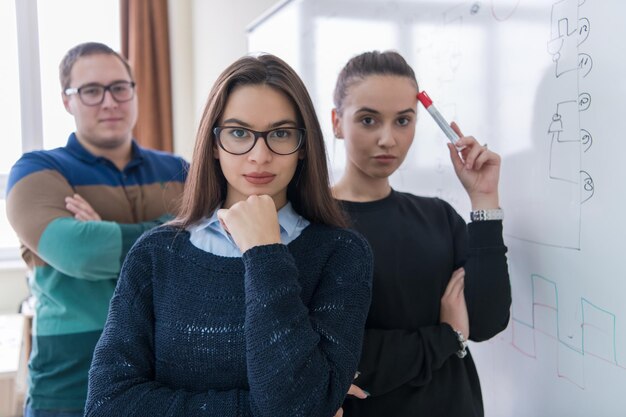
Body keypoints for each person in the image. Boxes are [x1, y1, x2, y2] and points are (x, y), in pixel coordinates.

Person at [83, 53, 373, 417]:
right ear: (214, 144)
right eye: (239, 133)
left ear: (303, 147)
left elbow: (299, 404)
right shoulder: (156, 254)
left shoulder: (342, 253)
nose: (259, 155)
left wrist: (264, 250)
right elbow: (107, 406)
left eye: (281, 134)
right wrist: (260, 410)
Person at [5, 42, 188, 417]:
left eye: (120, 87)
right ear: (66, 100)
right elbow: (82, 253)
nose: (109, 102)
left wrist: (106, 232)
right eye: (90, 90)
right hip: (71, 378)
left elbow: (216, 243)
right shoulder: (35, 171)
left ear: (135, 91)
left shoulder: (181, 170)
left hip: (166, 368)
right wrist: (178, 231)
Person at [331, 50, 511, 416]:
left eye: (402, 121)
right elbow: (337, 357)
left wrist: (484, 198)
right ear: (337, 122)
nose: (388, 139)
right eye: (368, 120)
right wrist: (445, 338)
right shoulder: (314, 225)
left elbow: (487, 322)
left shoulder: (438, 217)